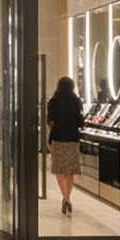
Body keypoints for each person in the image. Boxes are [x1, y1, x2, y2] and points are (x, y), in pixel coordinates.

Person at [47, 76, 83, 216]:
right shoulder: (76, 101)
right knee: (70, 170)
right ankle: (67, 198)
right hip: (72, 138)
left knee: (59, 169)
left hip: (58, 138)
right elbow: (80, 121)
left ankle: (65, 198)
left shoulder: (53, 101)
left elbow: (50, 121)